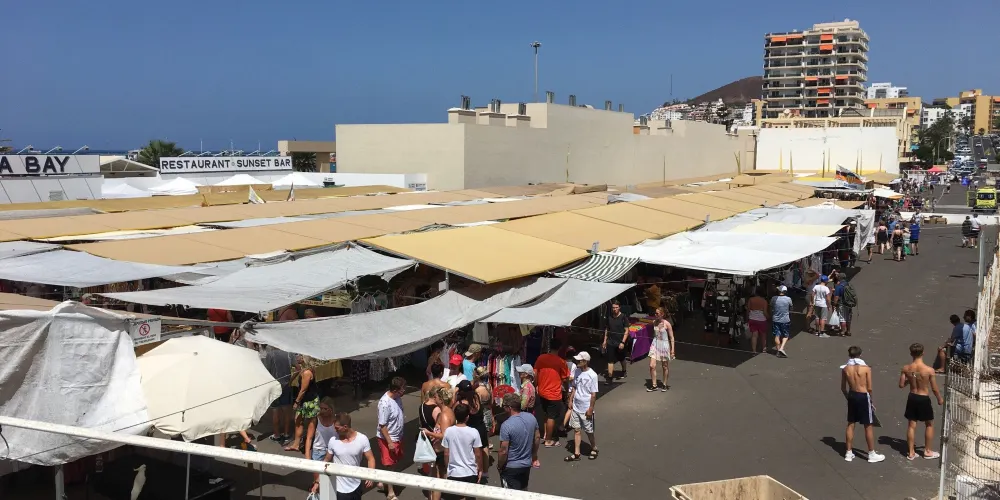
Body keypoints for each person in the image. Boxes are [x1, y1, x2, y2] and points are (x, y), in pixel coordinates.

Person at [313, 412, 375, 500]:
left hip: (356, 485)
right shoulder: (333, 441)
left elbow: (371, 459)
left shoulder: (362, 439)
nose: (335, 430)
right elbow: (326, 461)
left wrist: (370, 475)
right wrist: (317, 481)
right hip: (339, 489)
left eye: (337, 428)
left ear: (345, 427)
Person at [898, 343, 943, 461]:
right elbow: (934, 388)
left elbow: (901, 385)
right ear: (923, 353)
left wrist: (911, 379)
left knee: (911, 425)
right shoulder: (929, 370)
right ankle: (927, 451)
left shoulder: (906, 368)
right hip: (923, 398)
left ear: (911, 353)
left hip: (912, 397)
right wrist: (939, 398)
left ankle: (911, 452)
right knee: (929, 424)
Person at [841, 346, 885, 463]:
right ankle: (871, 453)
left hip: (852, 395)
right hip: (863, 396)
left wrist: (848, 398)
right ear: (860, 355)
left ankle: (848, 453)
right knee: (868, 425)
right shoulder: (866, 369)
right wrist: (871, 401)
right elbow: (869, 388)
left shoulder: (845, 368)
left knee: (851, 423)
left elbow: (843, 388)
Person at [497, 392, 540, 491]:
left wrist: (500, 465)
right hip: (526, 464)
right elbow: (537, 437)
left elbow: (503, 451)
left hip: (510, 467)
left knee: (509, 494)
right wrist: (534, 455)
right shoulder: (531, 417)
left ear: (509, 408)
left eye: (504, 406)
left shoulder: (506, 425)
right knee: (523, 491)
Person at [442, 403, 484, 499]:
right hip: (470, 472)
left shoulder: (448, 431)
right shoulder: (474, 432)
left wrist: (447, 468)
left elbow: (446, 453)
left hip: (454, 472)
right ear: (467, 417)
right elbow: (478, 454)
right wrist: (480, 469)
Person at [533, 338, 568, 448]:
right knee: (551, 416)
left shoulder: (541, 358)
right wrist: (566, 390)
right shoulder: (561, 362)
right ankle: (548, 440)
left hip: (542, 390)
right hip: (554, 393)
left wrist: (536, 385)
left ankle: (545, 435)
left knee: (545, 414)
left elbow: (535, 373)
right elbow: (565, 378)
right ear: (559, 348)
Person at [422, 386, 455, 500]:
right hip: (440, 451)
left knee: (437, 480)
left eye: (436, 397)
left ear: (441, 399)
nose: (434, 398)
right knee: (439, 477)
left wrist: (429, 433)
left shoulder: (445, 415)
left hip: (441, 452)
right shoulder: (445, 412)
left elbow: (445, 435)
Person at [565, 351, 599, 462]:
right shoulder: (577, 371)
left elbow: (593, 394)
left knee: (589, 431)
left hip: (585, 407)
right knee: (576, 429)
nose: (577, 362)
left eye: (579, 360)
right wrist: (571, 400)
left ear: (585, 361)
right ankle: (577, 453)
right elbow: (574, 387)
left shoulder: (592, 375)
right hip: (576, 406)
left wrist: (590, 408)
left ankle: (594, 447)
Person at [453, 380, 489, 485]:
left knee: (473, 452)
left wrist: (455, 394)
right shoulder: (476, 397)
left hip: (471, 429)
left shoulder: (463, 403)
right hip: (481, 427)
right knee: (484, 448)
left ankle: (475, 471)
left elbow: (453, 409)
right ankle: (485, 471)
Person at [376, 376, 406, 499]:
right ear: (395, 390)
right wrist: (389, 442)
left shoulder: (397, 398)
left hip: (398, 436)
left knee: (393, 463)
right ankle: (390, 492)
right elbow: (382, 425)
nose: (404, 391)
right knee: (389, 464)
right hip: (388, 438)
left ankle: (383, 481)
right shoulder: (385, 403)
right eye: (402, 389)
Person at [286, 356, 320, 455]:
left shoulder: (307, 372)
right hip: (304, 401)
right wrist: (291, 380)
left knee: (311, 423)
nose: (297, 357)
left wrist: (296, 402)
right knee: (298, 420)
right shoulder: (303, 370)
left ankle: (309, 445)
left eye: (300, 356)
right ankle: (296, 444)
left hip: (310, 401)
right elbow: (296, 373)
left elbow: (303, 390)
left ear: (305, 359)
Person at [262, 345, 296, 444]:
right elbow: (298, 368)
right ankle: (286, 434)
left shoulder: (270, 355)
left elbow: (266, 371)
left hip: (274, 386)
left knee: (275, 411)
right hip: (286, 386)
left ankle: (276, 435)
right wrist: (290, 380)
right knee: (286, 411)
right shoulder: (289, 353)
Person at [648, 307, 675, 391]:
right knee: (652, 365)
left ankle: (664, 384)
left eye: (657, 313)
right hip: (655, 344)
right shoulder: (654, 322)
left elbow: (672, 337)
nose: (655, 315)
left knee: (665, 366)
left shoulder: (667, 324)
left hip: (664, 345)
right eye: (655, 313)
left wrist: (672, 350)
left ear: (662, 314)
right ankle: (654, 385)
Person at [603, 300, 629, 383]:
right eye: (613, 308)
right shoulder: (609, 317)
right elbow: (607, 329)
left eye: (616, 307)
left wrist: (623, 342)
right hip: (610, 341)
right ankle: (610, 377)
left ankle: (624, 370)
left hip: (620, 342)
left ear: (619, 308)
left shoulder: (623, 317)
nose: (614, 309)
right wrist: (605, 341)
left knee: (621, 358)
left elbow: (626, 331)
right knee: (610, 360)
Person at [771, 285, 793, 358]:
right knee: (786, 335)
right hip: (785, 320)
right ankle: (781, 348)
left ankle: (778, 350)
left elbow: (771, 306)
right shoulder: (788, 299)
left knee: (777, 335)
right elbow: (791, 308)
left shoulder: (774, 298)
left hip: (775, 319)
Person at [474, 367, 494, 438]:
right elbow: (492, 401)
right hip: (488, 412)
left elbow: (476, 405)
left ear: (477, 376)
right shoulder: (488, 385)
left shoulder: (477, 389)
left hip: (481, 414)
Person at [746, 289, 769, 354]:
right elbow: (765, 312)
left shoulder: (751, 300)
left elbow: (748, 310)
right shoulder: (764, 301)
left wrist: (747, 318)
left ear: (756, 293)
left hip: (752, 319)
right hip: (762, 320)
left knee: (754, 335)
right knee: (763, 335)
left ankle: (754, 351)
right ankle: (764, 349)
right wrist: (768, 317)